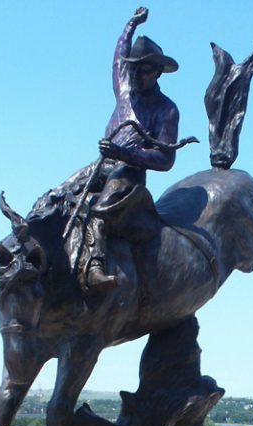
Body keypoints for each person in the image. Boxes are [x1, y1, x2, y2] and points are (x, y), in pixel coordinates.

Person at [74, 6, 180, 292]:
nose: (134, 73)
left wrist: (125, 155)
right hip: (101, 166)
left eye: (142, 69)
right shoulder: (125, 92)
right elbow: (117, 57)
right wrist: (130, 25)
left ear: (157, 72)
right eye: (133, 67)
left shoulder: (166, 110)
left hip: (129, 175)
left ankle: (95, 265)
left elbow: (165, 158)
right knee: (63, 195)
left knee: (99, 208)